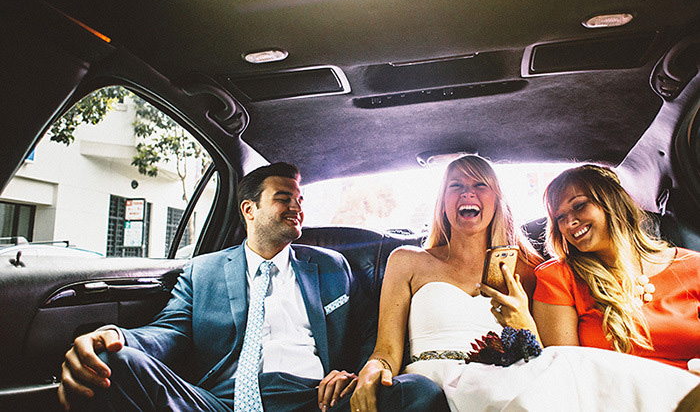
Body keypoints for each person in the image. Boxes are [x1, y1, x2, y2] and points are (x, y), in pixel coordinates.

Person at [57, 162, 446, 412]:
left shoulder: (331, 267)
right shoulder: (202, 271)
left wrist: (352, 373)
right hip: (215, 403)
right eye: (283, 198)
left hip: (315, 401)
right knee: (108, 362)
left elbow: (368, 334)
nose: (297, 207)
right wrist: (114, 337)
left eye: (299, 199)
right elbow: (167, 332)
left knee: (419, 393)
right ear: (249, 209)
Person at [350, 155, 699, 412]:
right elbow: (386, 351)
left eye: (479, 185)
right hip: (422, 384)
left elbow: (542, 359)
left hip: (498, 382)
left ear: (497, 201)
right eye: (455, 186)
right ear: (442, 202)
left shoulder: (533, 270)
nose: (467, 193)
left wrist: (523, 325)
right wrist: (369, 371)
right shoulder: (407, 261)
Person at [533, 164, 700, 372]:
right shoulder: (559, 278)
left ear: (612, 203)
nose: (569, 223)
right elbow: (566, 371)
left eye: (578, 206)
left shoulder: (694, 266)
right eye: (560, 217)